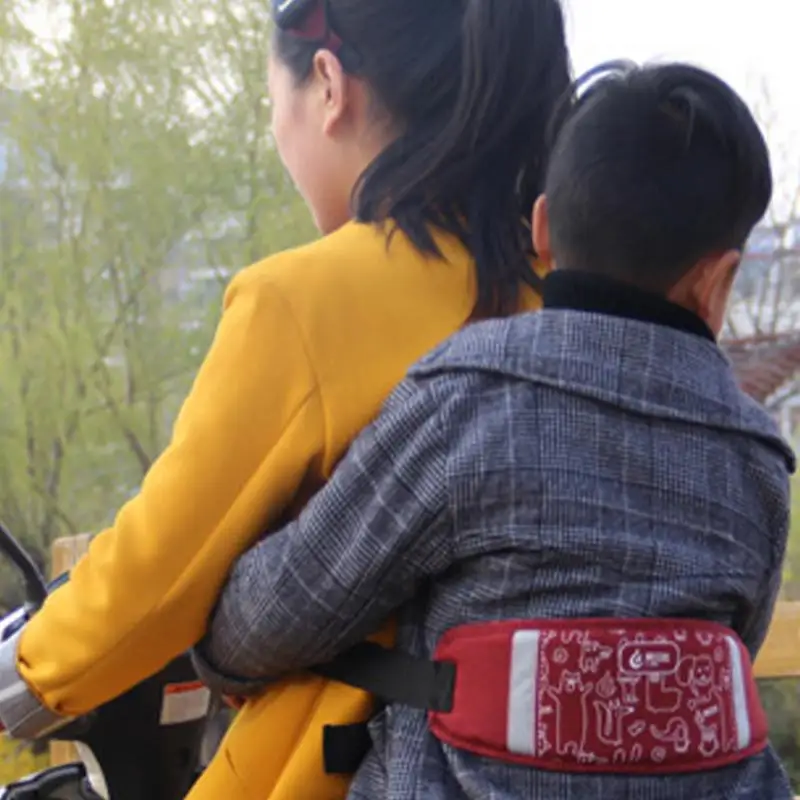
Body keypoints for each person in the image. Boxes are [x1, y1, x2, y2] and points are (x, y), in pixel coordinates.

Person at [0, 0, 571, 798]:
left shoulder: (308, 301)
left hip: (343, 768)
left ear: (329, 88)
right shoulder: (572, 295)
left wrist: (20, 676)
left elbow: (157, 575)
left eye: (276, 104)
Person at [192, 62, 796, 799]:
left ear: (541, 230)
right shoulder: (756, 463)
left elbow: (269, 622)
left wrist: (220, 644)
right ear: (719, 278)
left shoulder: (466, 399)